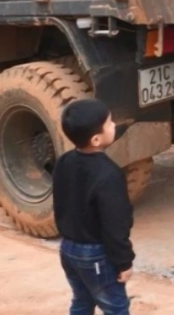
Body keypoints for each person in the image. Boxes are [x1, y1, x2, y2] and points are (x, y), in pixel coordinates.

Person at [53, 98, 134, 315]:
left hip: (68, 249)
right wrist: (124, 262)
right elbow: (115, 224)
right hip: (95, 256)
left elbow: (60, 203)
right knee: (116, 307)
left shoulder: (63, 161)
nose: (114, 125)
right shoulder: (109, 175)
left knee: (82, 301)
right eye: (109, 123)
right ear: (96, 139)